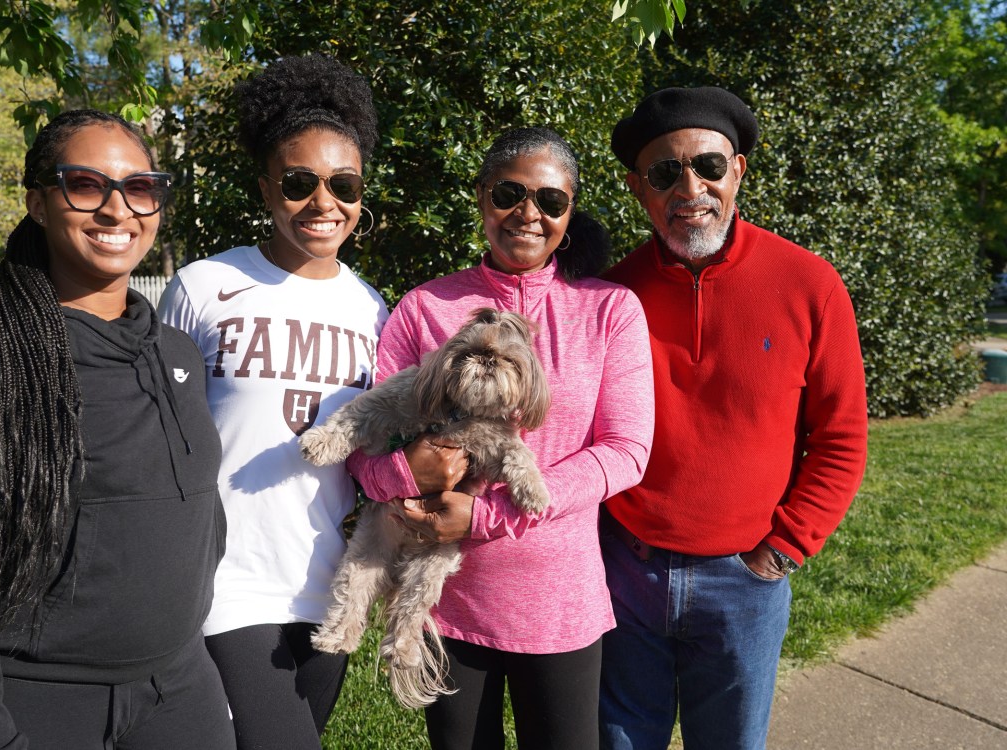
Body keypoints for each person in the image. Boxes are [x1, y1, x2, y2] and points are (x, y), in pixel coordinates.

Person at [0, 110, 235, 749]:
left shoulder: (177, 354)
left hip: (178, 691)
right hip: (31, 701)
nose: (117, 210)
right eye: (87, 185)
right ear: (38, 204)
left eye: (141, 188)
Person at [349, 126, 654, 750]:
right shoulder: (426, 308)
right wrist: (413, 478)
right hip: (449, 604)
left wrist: (485, 516)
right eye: (510, 192)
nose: (529, 214)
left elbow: (625, 452)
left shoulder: (609, 311)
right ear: (483, 195)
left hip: (559, 604)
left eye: (551, 201)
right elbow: (367, 455)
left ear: (570, 212)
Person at [598, 86, 869, 750]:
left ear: (738, 170)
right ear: (640, 189)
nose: (691, 187)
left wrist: (782, 550)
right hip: (626, 574)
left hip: (745, 581)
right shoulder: (609, 295)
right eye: (666, 172)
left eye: (709, 166)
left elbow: (841, 436)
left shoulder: (809, 284)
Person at [157, 54, 387, 749]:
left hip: (324, 585)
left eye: (342, 184)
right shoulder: (203, 286)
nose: (324, 203)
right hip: (224, 579)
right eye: (299, 182)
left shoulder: (372, 309)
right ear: (266, 188)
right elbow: (159, 435)